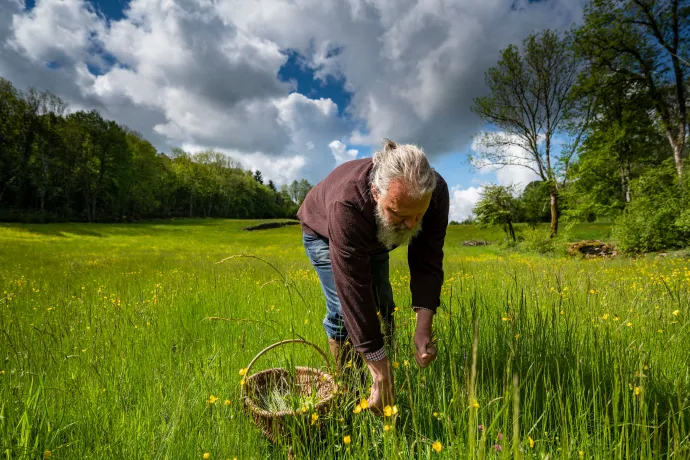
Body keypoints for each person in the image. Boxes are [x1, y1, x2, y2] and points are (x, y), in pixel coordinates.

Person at [297, 138, 449, 415]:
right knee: (344, 313)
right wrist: (380, 374)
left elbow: (428, 260)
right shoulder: (348, 201)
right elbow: (352, 289)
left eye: (419, 214)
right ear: (376, 193)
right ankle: (349, 386)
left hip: (376, 236)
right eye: (400, 213)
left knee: (382, 307)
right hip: (324, 234)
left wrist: (423, 328)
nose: (411, 225)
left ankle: (381, 372)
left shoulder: (434, 192)